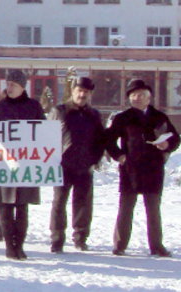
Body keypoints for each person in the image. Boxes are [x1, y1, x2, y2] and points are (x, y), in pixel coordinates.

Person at [106, 79, 180, 257]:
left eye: (141, 95)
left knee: (153, 209)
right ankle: (120, 244)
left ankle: (156, 246)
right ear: (129, 98)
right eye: (133, 95)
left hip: (153, 169)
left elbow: (175, 139)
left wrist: (167, 145)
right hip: (130, 168)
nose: (137, 98)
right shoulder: (123, 118)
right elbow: (108, 140)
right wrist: (119, 156)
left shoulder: (159, 117)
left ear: (149, 98)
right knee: (125, 208)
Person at [0, 70, 45, 260]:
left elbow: (43, 132)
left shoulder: (34, 106)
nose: (8, 88)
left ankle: (20, 245)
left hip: (25, 164)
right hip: (3, 164)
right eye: (7, 84)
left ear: (22, 87)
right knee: (4, 207)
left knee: (22, 206)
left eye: (13, 85)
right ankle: (10, 246)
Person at [48, 77, 106, 253]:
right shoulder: (60, 111)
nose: (82, 94)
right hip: (62, 165)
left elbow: (100, 139)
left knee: (83, 205)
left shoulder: (94, 115)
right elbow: (47, 136)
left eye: (86, 92)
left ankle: (80, 238)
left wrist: (95, 159)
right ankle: (57, 239)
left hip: (84, 166)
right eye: (79, 91)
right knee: (59, 203)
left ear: (90, 94)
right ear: (72, 91)